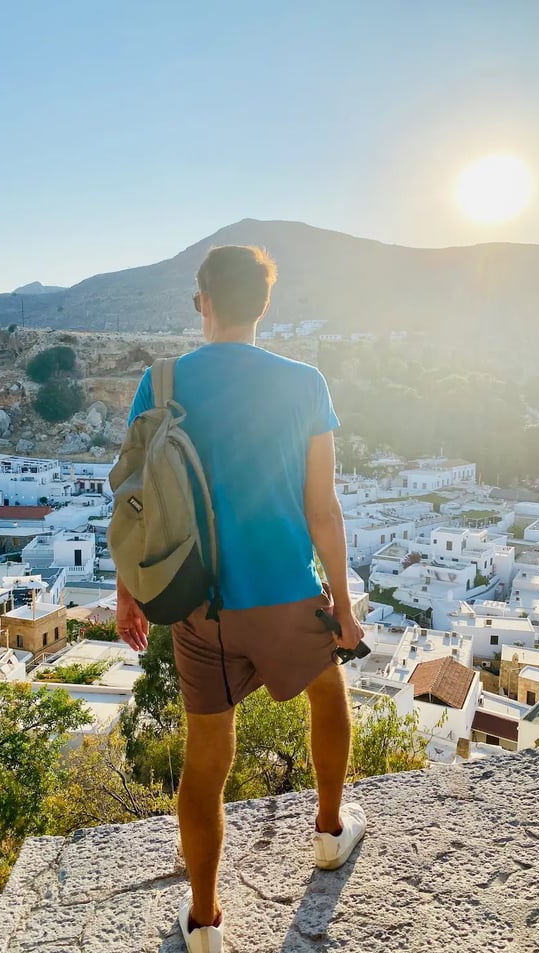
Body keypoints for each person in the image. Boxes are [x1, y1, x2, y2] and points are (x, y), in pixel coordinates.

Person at [116, 244, 366, 953]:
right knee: (328, 695)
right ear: (264, 304)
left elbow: (137, 503)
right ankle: (327, 832)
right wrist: (343, 607)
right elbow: (324, 509)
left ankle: (204, 922)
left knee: (206, 762)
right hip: (289, 591)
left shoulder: (160, 382)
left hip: (202, 606)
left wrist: (128, 593)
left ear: (204, 302)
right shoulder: (305, 383)